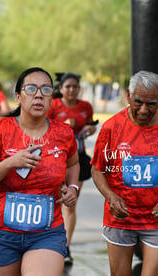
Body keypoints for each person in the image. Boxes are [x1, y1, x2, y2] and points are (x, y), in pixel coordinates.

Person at [0, 67, 80, 275]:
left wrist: (72, 186)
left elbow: (73, 163)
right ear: (18, 96)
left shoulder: (64, 134)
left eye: (46, 90)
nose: (39, 94)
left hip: (46, 233)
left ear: (51, 98)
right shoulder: (0, 130)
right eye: (31, 89)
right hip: (0, 233)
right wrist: (10, 162)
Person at [91, 71, 158, 276]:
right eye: (138, 102)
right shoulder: (112, 127)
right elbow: (98, 168)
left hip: (157, 218)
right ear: (128, 95)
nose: (144, 110)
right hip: (120, 217)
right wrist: (111, 197)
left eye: (152, 104)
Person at [46, 72, 97, 265]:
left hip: (78, 159)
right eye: (68, 86)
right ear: (61, 88)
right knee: (52, 202)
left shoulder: (85, 107)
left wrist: (91, 129)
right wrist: (63, 126)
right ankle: (48, 243)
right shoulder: (54, 105)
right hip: (54, 159)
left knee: (70, 203)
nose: (71, 90)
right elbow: (44, 129)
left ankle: (65, 246)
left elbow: (91, 125)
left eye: (75, 87)